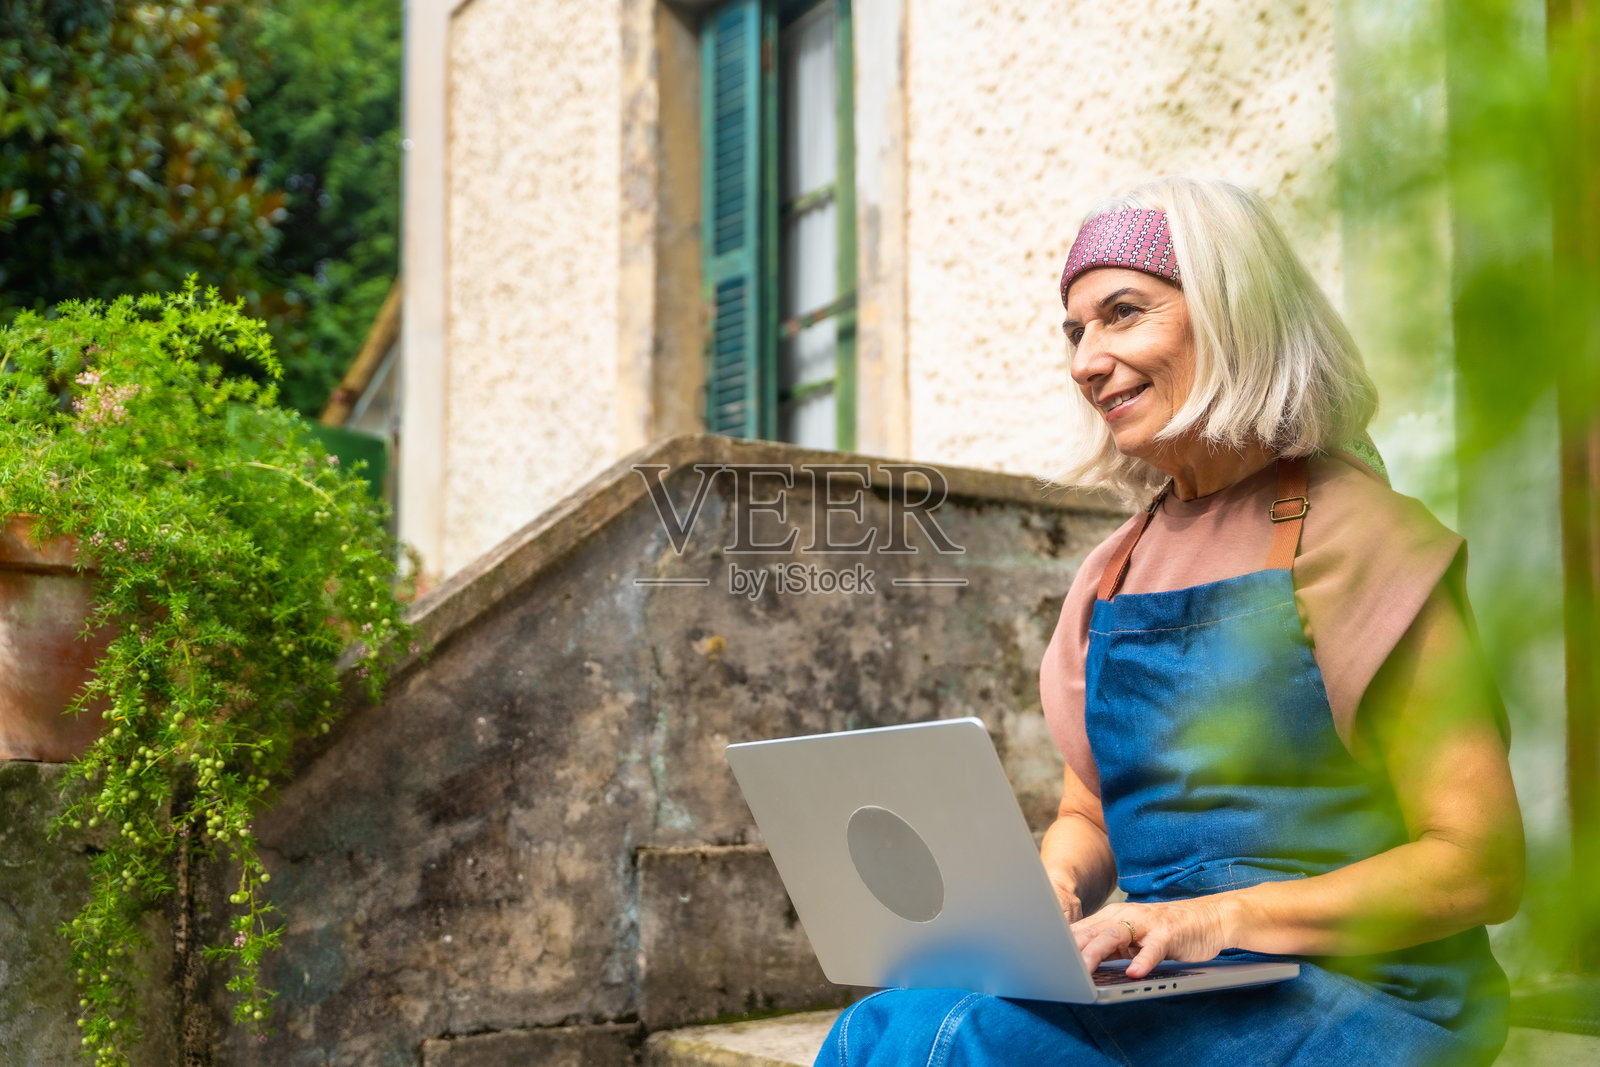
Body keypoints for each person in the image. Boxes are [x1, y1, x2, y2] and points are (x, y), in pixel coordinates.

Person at [814, 176, 1524, 1066]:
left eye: (1123, 313)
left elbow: (1479, 862)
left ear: (1233, 313)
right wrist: (1051, 890)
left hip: (1374, 997)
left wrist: (1214, 919)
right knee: (887, 1024)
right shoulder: (1110, 574)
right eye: (1075, 331)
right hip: (1178, 979)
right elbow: (1090, 814)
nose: (1086, 360)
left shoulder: (1366, 536)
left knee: (962, 1045)